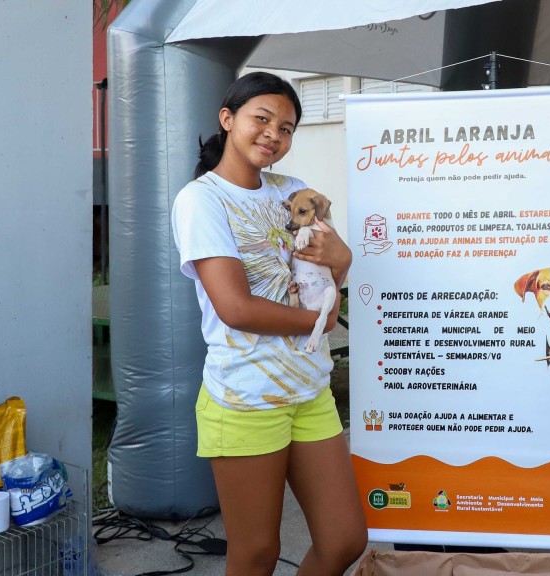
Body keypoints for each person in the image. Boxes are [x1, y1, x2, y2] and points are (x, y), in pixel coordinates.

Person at [170, 71, 366, 576]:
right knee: (256, 552)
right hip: (246, 396)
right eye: (262, 119)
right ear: (227, 118)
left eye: (286, 128)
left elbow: (328, 273)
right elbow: (236, 308)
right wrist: (320, 321)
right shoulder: (201, 199)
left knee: (344, 539)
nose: (273, 134)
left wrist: (344, 259)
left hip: (310, 388)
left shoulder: (294, 190)